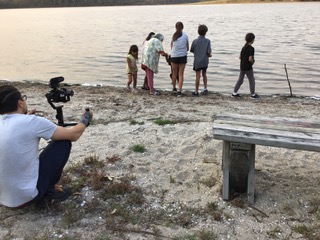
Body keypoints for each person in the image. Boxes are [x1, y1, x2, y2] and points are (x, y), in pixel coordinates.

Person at [0, 85, 93, 208]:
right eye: (23, 98)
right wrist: (85, 119)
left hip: (4, 199)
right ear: (20, 103)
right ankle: (47, 192)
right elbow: (73, 134)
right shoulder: (31, 122)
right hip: (28, 196)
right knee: (63, 142)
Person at [232, 32, 259, 99]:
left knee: (240, 80)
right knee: (251, 80)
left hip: (242, 66)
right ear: (252, 40)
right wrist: (253, 62)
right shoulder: (251, 48)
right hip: (248, 67)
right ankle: (252, 94)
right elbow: (250, 58)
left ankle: (234, 92)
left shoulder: (243, 47)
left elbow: (240, 57)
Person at [190, 24, 212, 97]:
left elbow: (192, 50)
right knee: (204, 74)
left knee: (197, 76)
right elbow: (209, 52)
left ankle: (196, 91)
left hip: (197, 61)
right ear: (205, 32)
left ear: (198, 32)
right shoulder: (208, 41)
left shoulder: (195, 41)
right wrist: (209, 55)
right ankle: (205, 89)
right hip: (205, 61)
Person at [170, 21, 189, 97]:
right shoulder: (185, 36)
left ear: (175, 27)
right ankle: (179, 91)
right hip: (183, 56)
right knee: (180, 74)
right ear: (182, 27)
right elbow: (187, 48)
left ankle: (174, 88)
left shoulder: (173, 36)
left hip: (174, 56)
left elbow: (171, 46)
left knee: (174, 73)